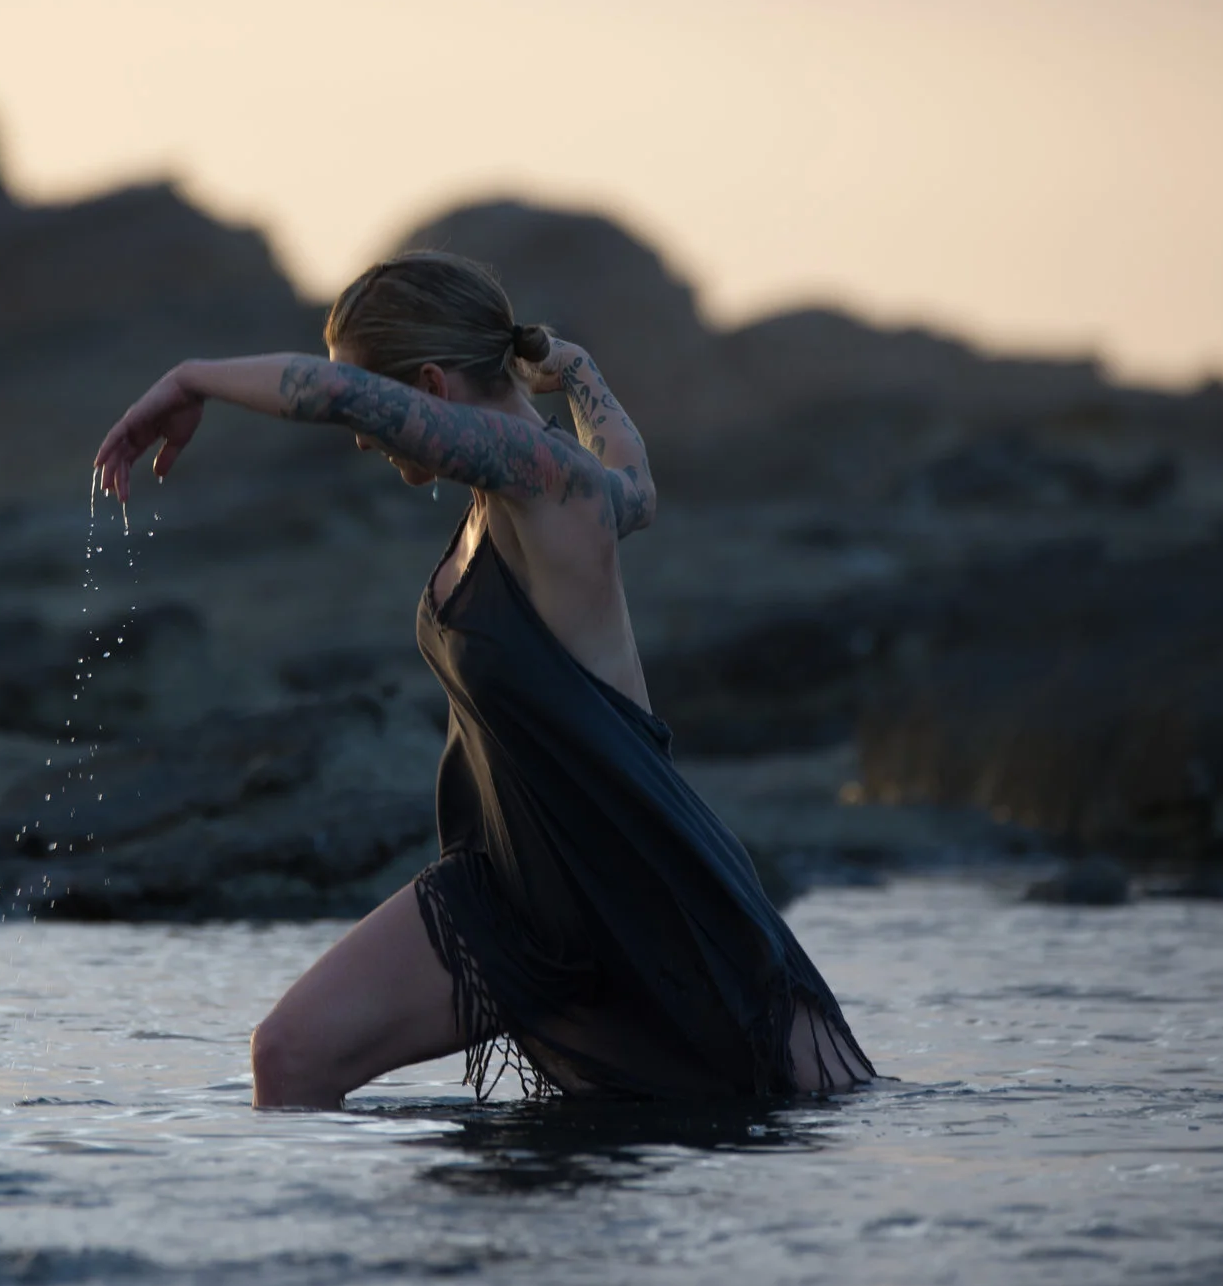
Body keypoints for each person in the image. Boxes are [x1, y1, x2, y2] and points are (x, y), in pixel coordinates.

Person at [92, 250, 873, 1110]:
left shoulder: (545, 479)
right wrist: (579, 372)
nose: (364, 436)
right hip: (513, 881)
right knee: (289, 1053)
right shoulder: (556, 491)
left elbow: (346, 398)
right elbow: (638, 484)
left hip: (624, 878)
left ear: (429, 386)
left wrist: (189, 377)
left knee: (792, 1099)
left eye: (385, 406)